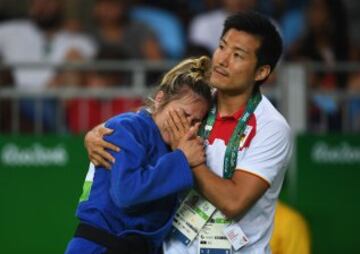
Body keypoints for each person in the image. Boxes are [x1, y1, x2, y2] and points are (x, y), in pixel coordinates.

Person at [85, 12, 292, 253]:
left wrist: (187, 160)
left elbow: (234, 202)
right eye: (222, 47)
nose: (222, 60)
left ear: (261, 72)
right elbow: (144, 122)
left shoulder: (271, 127)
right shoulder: (197, 102)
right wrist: (95, 134)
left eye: (237, 55)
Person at [65, 56, 213, 254]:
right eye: (183, 115)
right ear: (160, 99)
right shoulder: (126, 128)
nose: (187, 126)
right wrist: (181, 158)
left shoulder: (175, 147)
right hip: (99, 247)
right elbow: (126, 192)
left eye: (196, 121)